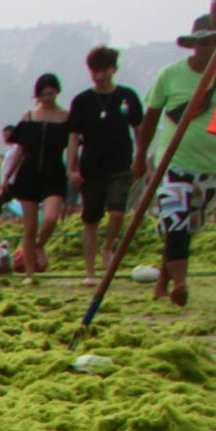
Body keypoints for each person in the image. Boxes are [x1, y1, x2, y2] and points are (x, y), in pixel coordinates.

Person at [136, 15, 216, 309]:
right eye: (201, 43)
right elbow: (150, 119)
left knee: (186, 227)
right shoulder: (170, 74)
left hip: (211, 165)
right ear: (192, 45)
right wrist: (141, 156)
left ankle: (162, 284)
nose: (206, 48)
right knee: (175, 219)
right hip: (173, 163)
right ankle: (180, 284)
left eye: (213, 42)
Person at [67, 47, 145, 281]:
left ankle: (108, 246)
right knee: (90, 219)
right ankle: (90, 271)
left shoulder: (127, 96)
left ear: (113, 69)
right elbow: (73, 137)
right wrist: (71, 169)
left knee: (117, 212)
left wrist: (142, 159)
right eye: (94, 71)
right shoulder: (82, 101)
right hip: (91, 167)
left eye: (103, 71)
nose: (99, 76)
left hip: (121, 165)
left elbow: (139, 129)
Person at [3, 74, 70, 277]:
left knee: (50, 219)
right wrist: (7, 176)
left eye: (50, 94)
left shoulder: (66, 117)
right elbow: (21, 150)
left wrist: (73, 168)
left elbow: (73, 145)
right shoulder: (29, 116)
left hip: (55, 172)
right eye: (42, 95)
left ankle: (39, 247)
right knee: (30, 227)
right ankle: (30, 273)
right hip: (29, 172)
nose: (47, 98)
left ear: (57, 92)